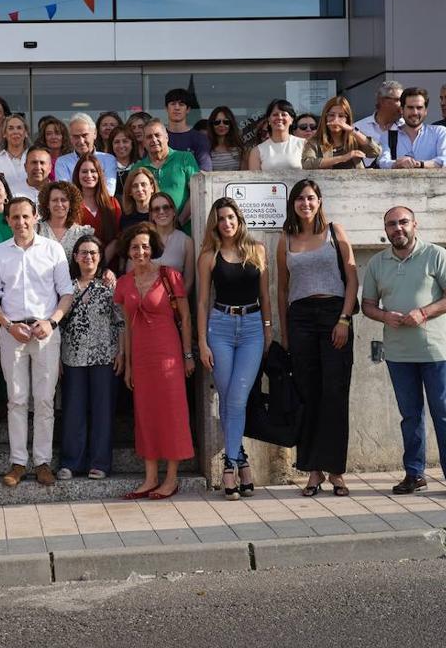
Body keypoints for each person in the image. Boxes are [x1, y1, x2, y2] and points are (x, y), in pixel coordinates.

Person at [362, 206, 446, 498]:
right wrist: (384, 316)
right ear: (385, 230)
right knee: (410, 416)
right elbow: (367, 305)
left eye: (403, 222)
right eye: (391, 224)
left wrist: (424, 312)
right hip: (398, 354)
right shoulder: (377, 263)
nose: (398, 228)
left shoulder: (436, 255)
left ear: (415, 225)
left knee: (444, 413)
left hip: (435, 351)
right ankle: (414, 474)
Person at [0, 197, 74, 487]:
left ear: (35, 217)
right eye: (15, 217)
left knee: (46, 400)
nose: (21, 223)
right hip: (13, 332)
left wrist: (52, 321)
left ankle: (43, 462)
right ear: (8, 220)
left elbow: (66, 294)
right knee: (17, 400)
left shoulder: (52, 249)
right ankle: (18, 462)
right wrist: (9, 326)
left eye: (26, 216)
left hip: (46, 330)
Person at [276, 180, 358, 497]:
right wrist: (284, 333)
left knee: (335, 393)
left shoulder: (335, 232)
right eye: (299, 198)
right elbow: (282, 290)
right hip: (300, 320)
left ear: (320, 201)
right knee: (308, 395)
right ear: (293, 204)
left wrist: (344, 319)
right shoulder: (285, 239)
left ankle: (336, 470)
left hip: (334, 314)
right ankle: (313, 471)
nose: (305, 203)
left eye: (310, 198)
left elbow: (352, 278)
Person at [196, 198, 272, 500]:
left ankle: (230, 464)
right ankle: (239, 461)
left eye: (230, 217)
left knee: (237, 397)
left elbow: (265, 295)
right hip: (220, 327)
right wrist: (201, 341)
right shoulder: (209, 256)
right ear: (214, 224)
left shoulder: (257, 250)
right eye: (220, 219)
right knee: (228, 397)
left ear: (238, 219)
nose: (226, 223)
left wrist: (268, 330)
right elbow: (201, 301)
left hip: (252, 327)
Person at [114, 223, 195, 499]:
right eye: (135, 247)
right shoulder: (124, 283)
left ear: (154, 249)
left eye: (145, 246)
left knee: (171, 412)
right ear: (128, 250)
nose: (140, 251)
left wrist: (187, 355)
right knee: (145, 414)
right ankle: (150, 478)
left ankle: (171, 478)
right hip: (141, 355)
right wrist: (127, 362)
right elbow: (125, 325)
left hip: (168, 352)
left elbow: (185, 318)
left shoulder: (169, 275)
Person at [59, 235, 123, 481]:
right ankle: (71, 462)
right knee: (73, 410)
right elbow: (59, 324)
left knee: (102, 410)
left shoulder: (108, 286)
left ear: (100, 257)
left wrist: (122, 352)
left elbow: (120, 322)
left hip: (104, 356)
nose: (88, 257)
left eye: (93, 253)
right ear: (75, 257)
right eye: (83, 252)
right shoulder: (66, 287)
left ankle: (99, 462)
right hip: (72, 357)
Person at [375, 88, 446, 169]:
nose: (415, 112)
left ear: (426, 111)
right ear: (402, 110)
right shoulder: (387, 136)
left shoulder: (439, 132)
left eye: (419, 108)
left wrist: (419, 164)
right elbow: (382, 162)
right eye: (410, 107)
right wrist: (397, 164)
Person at [140, 120, 199, 229]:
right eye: (149, 137)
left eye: (157, 135)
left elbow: (196, 193)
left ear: (167, 137)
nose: (154, 139)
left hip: (184, 230)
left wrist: (180, 221)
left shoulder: (185, 158)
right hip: (152, 234)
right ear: (143, 142)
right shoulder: (139, 168)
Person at [302, 96, 381, 170]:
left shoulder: (354, 139)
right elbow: (307, 164)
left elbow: (375, 152)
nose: (336, 119)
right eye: (331, 115)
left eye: (341, 116)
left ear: (347, 119)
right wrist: (343, 158)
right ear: (325, 117)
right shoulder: (315, 141)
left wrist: (352, 130)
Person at [55, 113, 119, 194]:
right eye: (76, 136)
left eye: (84, 135)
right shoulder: (62, 162)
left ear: (94, 134)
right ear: (70, 138)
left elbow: (109, 192)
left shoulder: (108, 159)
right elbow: (65, 193)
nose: (81, 141)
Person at [149, 191, 195, 293]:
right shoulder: (143, 239)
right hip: (144, 303)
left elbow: (188, 281)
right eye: (156, 209)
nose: (161, 212)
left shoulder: (186, 242)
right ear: (151, 215)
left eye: (166, 207)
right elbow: (132, 274)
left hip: (174, 303)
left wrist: (176, 303)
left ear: (174, 211)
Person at [37, 181, 92, 260]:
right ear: (47, 204)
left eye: (63, 200)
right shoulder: (35, 230)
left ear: (71, 204)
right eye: (55, 200)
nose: (59, 204)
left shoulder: (81, 233)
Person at [354, 81, 405, 167]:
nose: (403, 104)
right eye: (399, 100)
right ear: (382, 101)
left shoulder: (407, 128)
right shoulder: (359, 128)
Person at [248, 99, 306, 172]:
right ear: (269, 120)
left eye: (284, 114)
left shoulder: (304, 145)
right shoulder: (257, 151)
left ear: (291, 119)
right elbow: (254, 180)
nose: (280, 117)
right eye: (275, 115)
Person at [74, 154, 120, 245]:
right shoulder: (71, 204)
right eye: (84, 171)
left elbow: (118, 236)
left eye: (93, 171)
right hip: (82, 257)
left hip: (110, 256)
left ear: (99, 174)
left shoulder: (112, 202)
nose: (89, 175)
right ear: (77, 175)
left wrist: (104, 258)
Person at [165, 88, 212, 170]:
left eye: (181, 104)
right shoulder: (157, 138)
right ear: (166, 108)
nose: (177, 108)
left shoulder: (200, 139)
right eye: (173, 104)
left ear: (188, 110)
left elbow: (205, 171)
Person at [0, 113, 31, 196]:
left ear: (26, 133)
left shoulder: (34, 157)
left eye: (19, 128)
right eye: (11, 128)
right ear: (4, 134)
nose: (15, 132)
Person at [207, 106, 247, 172]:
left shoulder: (240, 149)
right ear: (212, 125)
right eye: (217, 122)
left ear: (231, 124)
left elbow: (244, 176)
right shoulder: (206, 149)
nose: (221, 125)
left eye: (226, 122)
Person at [119, 166, 158, 232]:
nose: (139, 189)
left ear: (152, 188)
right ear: (130, 191)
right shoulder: (125, 219)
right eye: (135, 186)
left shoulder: (161, 214)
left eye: (143, 184)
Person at [108, 126, 141, 197]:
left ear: (132, 144)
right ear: (111, 145)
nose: (121, 145)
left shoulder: (140, 166)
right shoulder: (106, 168)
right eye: (116, 142)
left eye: (125, 141)